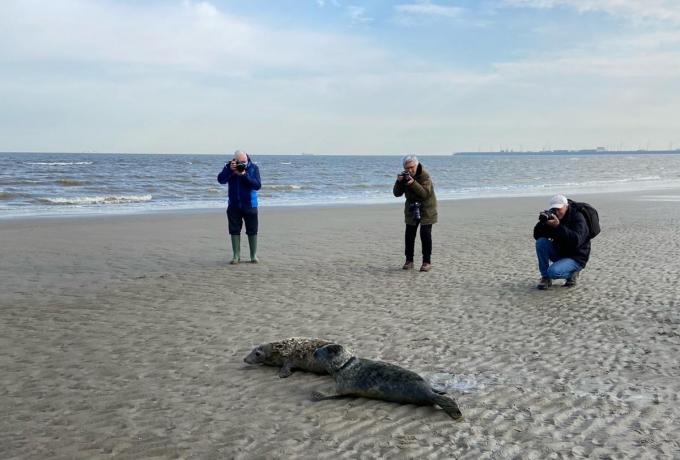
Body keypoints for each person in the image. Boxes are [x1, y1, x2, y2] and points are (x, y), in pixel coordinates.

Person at [533, 194, 590, 289]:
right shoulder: (554, 217)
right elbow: (536, 235)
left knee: (553, 272)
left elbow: (576, 241)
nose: (557, 212)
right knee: (541, 242)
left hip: (576, 257)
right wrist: (543, 222)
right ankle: (545, 278)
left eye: (559, 209)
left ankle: (572, 274)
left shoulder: (578, 217)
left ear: (566, 206)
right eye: (554, 209)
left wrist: (558, 227)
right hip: (560, 252)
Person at [393, 155, 438, 272]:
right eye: (407, 168)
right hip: (412, 208)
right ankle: (409, 261)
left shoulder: (425, 175)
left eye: (411, 167)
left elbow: (424, 194)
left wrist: (412, 183)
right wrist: (399, 182)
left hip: (427, 208)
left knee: (425, 234)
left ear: (416, 165)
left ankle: (426, 262)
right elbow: (397, 193)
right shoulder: (405, 176)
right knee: (409, 235)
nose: (409, 170)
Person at [217, 150, 262, 264]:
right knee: (234, 230)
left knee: (252, 230)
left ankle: (253, 255)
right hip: (234, 205)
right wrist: (229, 170)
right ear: (234, 160)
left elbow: (257, 185)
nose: (242, 164)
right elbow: (221, 180)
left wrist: (244, 175)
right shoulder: (229, 167)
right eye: (239, 162)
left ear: (247, 158)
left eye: (244, 161)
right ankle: (236, 255)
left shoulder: (253, 168)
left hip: (250, 204)